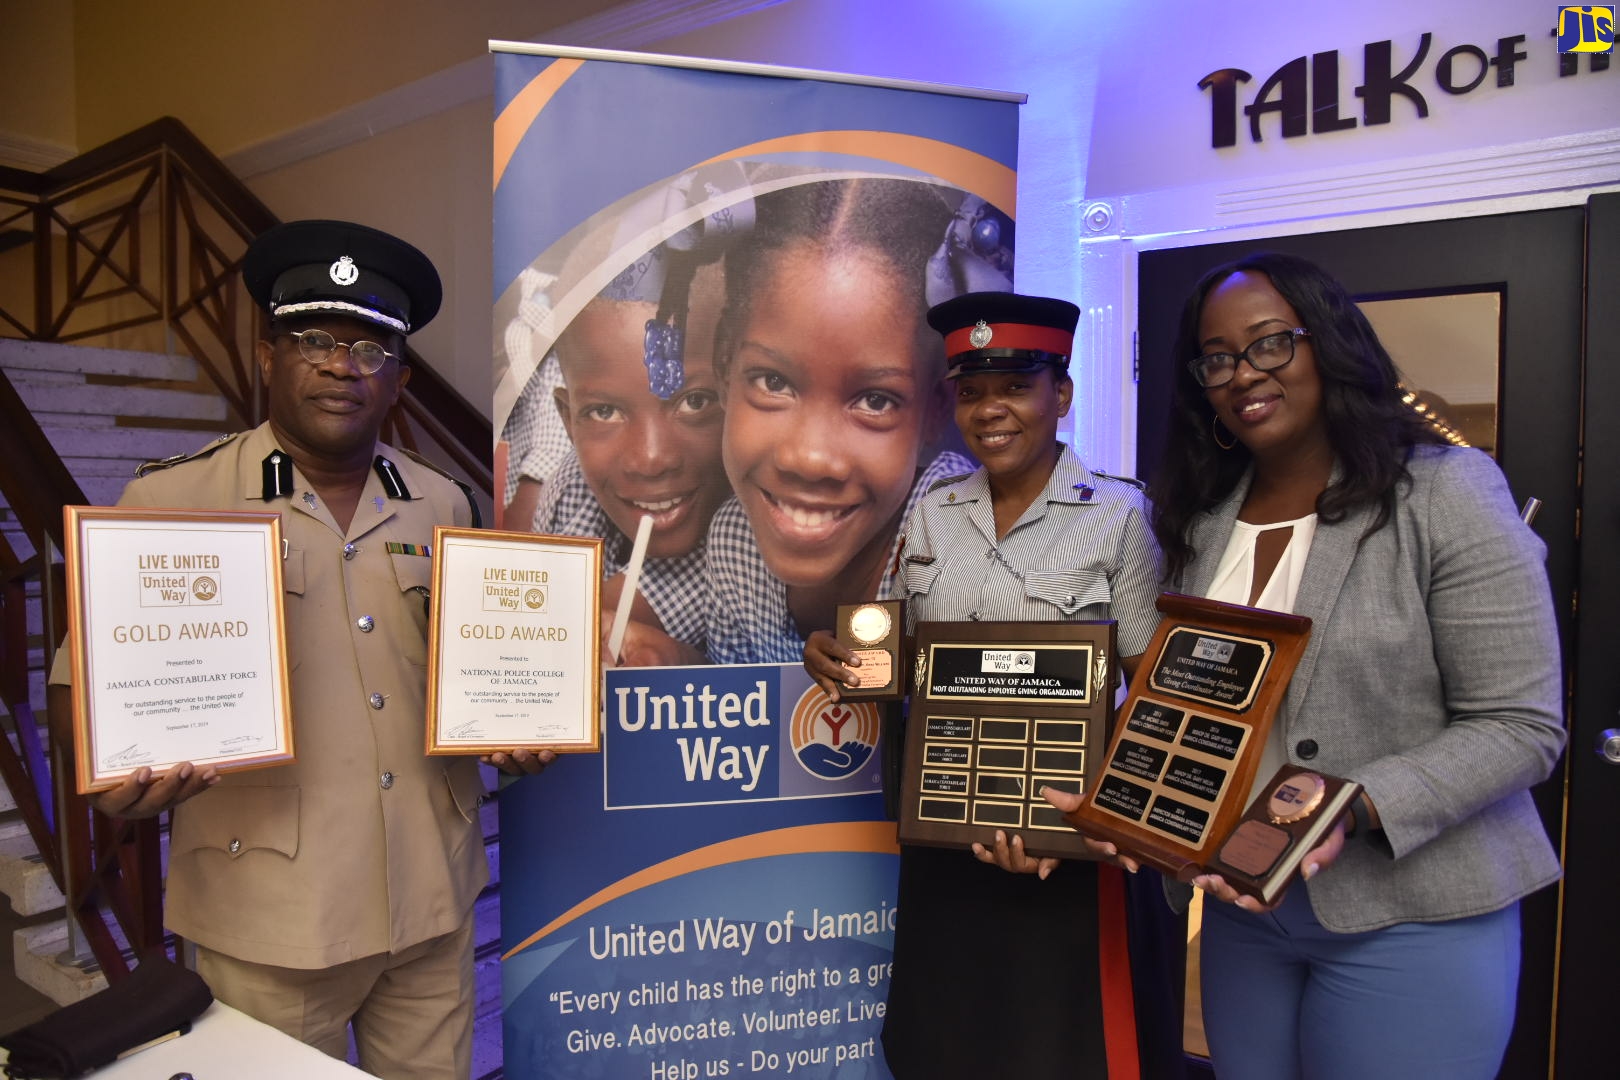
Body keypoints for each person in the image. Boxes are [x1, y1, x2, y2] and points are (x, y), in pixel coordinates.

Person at [48, 220, 548, 1080]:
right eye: (314, 339)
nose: (342, 365)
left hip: (431, 902)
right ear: (266, 355)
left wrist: (524, 727)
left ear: (397, 376)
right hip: (268, 919)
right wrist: (118, 772)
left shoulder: (446, 504)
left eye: (371, 348)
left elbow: (485, 673)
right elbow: (80, 689)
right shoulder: (176, 498)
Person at [1103, 252, 1562, 1079]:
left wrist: (1349, 806)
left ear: (1330, 345)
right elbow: (1193, 704)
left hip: (1413, 911)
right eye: (1217, 358)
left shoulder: (1446, 491)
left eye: (1270, 343)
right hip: (1248, 914)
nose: (1244, 372)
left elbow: (1520, 727)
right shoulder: (1199, 523)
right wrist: (1130, 803)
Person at [803, 292, 1171, 1079]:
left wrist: (1086, 822)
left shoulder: (1118, 515)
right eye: (971, 392)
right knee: (946, 1045)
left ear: (1060, 396)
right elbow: (890, 650)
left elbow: (1145, 690)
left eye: (1014, 387)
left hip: (1063, 849)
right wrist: (836, 653)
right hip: (947, 827)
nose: (990, 411)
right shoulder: (932, 513)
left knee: (1060, 1055)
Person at [706, 178, 974, 663]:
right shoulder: (734, 538)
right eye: (772, 382)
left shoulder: (959, 531)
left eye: (875, 400)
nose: (811, 459)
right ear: (724, 366)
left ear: (936, 409)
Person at [536, 249, 730, 665]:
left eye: (695, 401)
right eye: (604, 412)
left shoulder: (752, 532)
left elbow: (556, 628)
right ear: (569, 420)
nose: (651, 458)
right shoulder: (569, 490)